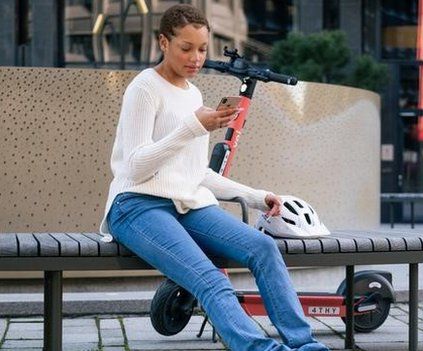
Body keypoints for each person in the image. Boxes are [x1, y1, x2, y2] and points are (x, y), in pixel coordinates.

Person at [99, 4, 328, 351]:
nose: (196, 58)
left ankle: (305, 344)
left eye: (202, 49)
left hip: (187, 204)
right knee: (210, 279)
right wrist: (193, 126)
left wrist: (256, 195)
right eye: (185, 48)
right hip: (136, 206)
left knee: (263, 248)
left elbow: (195, 173)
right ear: (164, 42)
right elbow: (134, 167)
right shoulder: (144, 88)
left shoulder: (192, 94)